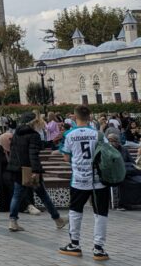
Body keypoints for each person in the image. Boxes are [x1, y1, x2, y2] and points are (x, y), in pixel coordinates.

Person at [58, 105, 111, 260]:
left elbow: (66, 157)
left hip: (79, 180)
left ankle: (74, 244)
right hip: (98, 181)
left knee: (75, 211)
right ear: (90, 117)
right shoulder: (98, 134)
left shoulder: (69, 134)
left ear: (75, 117)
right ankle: (99, 248)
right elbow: (107, 153)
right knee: (100, 213)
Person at [7, 112, 67, 232]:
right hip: (29, 170)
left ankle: (12, 221)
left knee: (17, 195)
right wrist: (36, 170)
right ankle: (57, 219)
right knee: (43, 195)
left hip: (17, 169)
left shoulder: (16, 134)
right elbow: (33, 154)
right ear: (33, 122)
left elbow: (16, 152)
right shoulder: (33, 135)